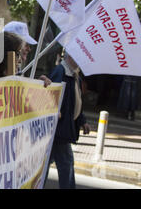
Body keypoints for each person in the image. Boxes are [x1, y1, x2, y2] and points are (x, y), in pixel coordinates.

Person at [45, 52, 90, 189]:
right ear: (71, 56)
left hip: (63, 128)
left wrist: (82, 121)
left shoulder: (75, 75)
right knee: (66, 163)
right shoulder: (61, 72)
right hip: (60, 129)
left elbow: (76, 102)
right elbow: (51, 96)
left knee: (46, 163)